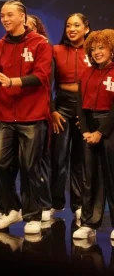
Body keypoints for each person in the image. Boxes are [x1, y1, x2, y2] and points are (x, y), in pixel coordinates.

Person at [0, 0, 52, 235]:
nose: (4, 19)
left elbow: (42, 76)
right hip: (4, 115)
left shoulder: (40, 44)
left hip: (33, 115)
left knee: (30, 167)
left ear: (22, 17)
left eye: (9, 15)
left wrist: (13, 82)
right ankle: (12, 208)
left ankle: (33, 216)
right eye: (2, 15)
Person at [72, 29, 114, 240]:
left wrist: (100, 132)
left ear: (111, 49)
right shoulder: (86, 73)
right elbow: (80, 105)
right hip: (90, 127)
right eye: (94, 49)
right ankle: (89, 223)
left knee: (112, 178)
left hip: (110, 127)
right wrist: (86, 131)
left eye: (102, 48)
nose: (97, 52)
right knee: (90, 178)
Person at [51, 13, 90, 219]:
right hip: (62, 107)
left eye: (76, 25)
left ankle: (79, 204)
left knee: (80, 159)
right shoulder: (56, 50)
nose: (72, 29)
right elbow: (46, 83)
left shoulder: (94, 51)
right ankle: (56, 203)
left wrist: (89, 113)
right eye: (68, 26)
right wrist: (52, 110)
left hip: (86, 107)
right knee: (58, 157)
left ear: (86, 28)